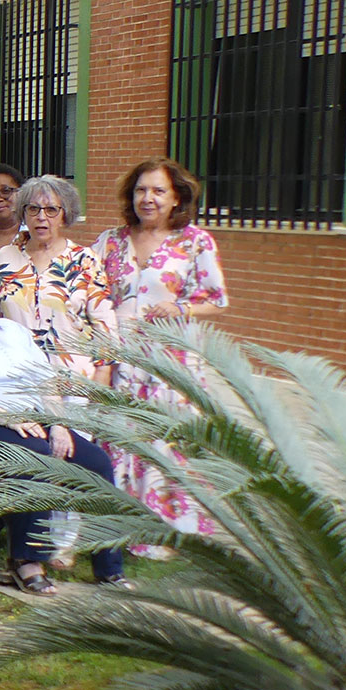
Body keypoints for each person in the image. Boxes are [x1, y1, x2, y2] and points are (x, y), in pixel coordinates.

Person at [0, 264, 128, 592]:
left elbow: (46, 383)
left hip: (36, 419)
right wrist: (9, 418)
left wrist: (59, 424)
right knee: (34, 455)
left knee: (97, 462)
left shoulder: (15, 331)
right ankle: (26, 560)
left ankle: (109, 567)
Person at [93, 158, 228, 538]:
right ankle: (117, 522)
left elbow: (217, 300)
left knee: (164, 439)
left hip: (168, 360)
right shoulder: (110, 240)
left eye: (158, 191)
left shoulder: (195, 242)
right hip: (119, 356)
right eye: (141, 190)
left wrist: (180, 308)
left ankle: (166, 527)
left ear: (176, 198)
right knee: (120, 436)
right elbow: (87, 286)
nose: (148, 198)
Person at [0, 175, 117, 384]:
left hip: (74, 381)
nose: (41, 217)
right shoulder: (5, 258)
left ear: (64, 215)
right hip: (18, 378)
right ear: (23, 213)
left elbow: (105, 326)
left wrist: (101, 380)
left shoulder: (84, 260)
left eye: (51, 210)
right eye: (33, 209)